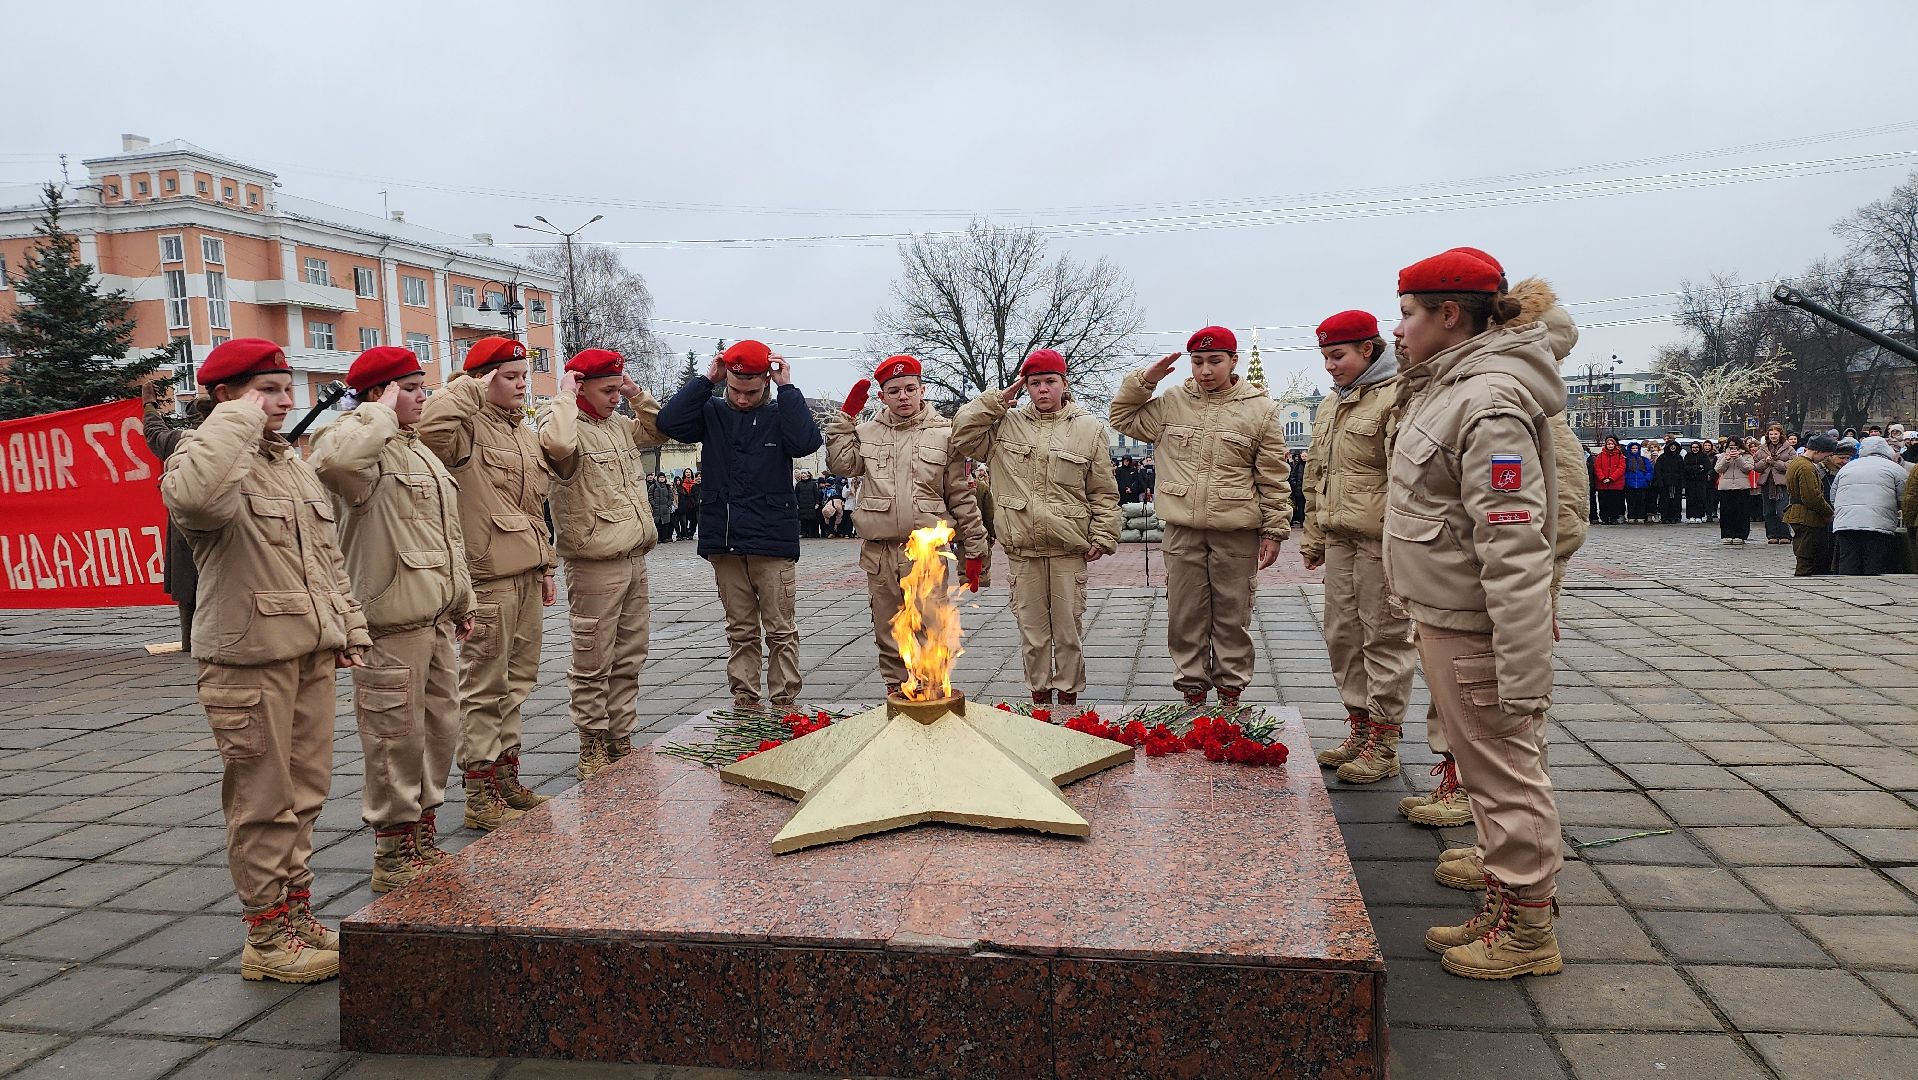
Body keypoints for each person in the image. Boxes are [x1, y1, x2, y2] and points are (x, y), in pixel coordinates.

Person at [160, 338, 371, 984]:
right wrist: (235, 419)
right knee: (262, 800)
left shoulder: (290, 465)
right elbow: (198, 502)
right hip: (247, 661)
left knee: (304, 794)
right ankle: (266, 936)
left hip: (306, 652)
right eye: (268, 390)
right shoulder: (201, 454)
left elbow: (325, 558)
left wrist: (348, 625)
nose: (284, 401)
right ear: (225, 396)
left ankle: (295, 914)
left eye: (285, 389)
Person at [1382, 249, 1565, 981]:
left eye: (1407, 314)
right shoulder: (1452, 385)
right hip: (1448, 615)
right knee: (1489, 771)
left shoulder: (1487, 401)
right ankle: (1505, 902)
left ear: (1450, 315)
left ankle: (1527, 932)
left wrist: (1522, 667)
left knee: (1506, 771)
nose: (1399, 329)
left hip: (1476, 627)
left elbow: (1513, 542)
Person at [310, 346, 473, 893]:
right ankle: (394, 848)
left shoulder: (416, 449)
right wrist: (376, 411)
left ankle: (422, 831)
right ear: (380, 393)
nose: (424, 397)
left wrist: (462, 599)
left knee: (440, 729)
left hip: (433, 616)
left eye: (423, 386)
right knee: (393, 738)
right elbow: (336, 465)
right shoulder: (349, 439)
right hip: (388, 620)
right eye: (411, 388)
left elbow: (445, 536)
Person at [1109, 326, 1289, 708]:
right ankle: (1192, 693)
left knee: (1232, 615)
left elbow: (1273, 476)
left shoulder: (1260, 410)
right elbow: (1121, 416)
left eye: (1215, 361)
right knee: (1185, 614)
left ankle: (1230, 694)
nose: (1205, 370)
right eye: (1198, 361)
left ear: (1234, 361)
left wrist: (1274, 530)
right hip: (1182, 531)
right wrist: (1145, 380)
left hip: (1236, 531)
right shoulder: (1172, 403)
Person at [418, 336, 556, 831]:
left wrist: (545, 565)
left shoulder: (523, 433)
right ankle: (479, 790)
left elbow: (533, 506)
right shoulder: (464, 426)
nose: (522, 385)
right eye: (510, 377)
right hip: (487, 577)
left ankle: (505, 775)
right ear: (482, 380)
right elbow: (428, 430)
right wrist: (466, 387)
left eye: (524, 376)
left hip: (524, 570)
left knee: (517, 681)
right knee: (483, 684)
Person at [658, 340, 824, 709]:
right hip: (726, 539)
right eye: (735, 390)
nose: (743, 399)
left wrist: (788, 388)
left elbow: (805, 442)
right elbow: (669, 423)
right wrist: (706, 381)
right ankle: (745, 699)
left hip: (773, 540)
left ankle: (785, 700)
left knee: (780, 629)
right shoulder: (712, 411)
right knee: (740, 629)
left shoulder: (781, 413)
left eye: (751, 391)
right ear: (726, 381)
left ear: (766, 381)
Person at [952, 348, 1121, 706]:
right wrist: (999, 399)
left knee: (1068, 630)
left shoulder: (1089, 430)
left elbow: (1103, 490)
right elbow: (962, 432)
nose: (1043, 389)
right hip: (1023, 549)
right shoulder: (1004, 425)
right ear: (1025, 386)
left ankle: (1069, 700)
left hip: (1067, 547)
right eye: (1034, 383)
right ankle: (1040, 698)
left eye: (1050, 381)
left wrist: (1105, 533)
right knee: (1032, 632)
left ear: (1064, 383)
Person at [1297, 310, 1416, 788]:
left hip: (1379, 540)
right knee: (1342, 636)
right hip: (1340, 538)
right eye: (1325, 357)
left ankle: (1384, 741)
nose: (1330, 366)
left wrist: (1400, 540)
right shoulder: (1333, 404)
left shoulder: (1396, 395)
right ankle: (1360, 726)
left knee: (1383, 637)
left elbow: (1405, 478)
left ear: (1369, 350)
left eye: (1338, 355)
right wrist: (1313, 536)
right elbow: (1316, 476)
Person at [824, 354, 988, 696]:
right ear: (882, 396)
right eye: (894, 390)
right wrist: (845, 419)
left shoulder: (946, 434)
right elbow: (841, 465)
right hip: (880, 552)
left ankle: (933, 695)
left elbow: (961, 497)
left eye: (910, 389)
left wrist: (974, 548)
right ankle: (896, 695)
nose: (903, 396)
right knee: (888, 630)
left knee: (931, 628)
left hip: (926, 552)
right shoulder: (866, 433)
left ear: (922, 390)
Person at [538, 350, 668, 778]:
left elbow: (659, 430)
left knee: (630, 656)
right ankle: (591, 742)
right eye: (607, 390)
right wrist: (563, 396)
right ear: (581, 386)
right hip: (594, 563)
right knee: (592, 659)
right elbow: (557, 446)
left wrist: (635, 393)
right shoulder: (564, 425)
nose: (615, 397)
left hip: (633, 556)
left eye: (617, 389)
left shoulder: (618, 424)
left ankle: (620, 736)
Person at [138, 376, 212, 653]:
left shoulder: (181, 441)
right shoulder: (242, 441)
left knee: (189, 592)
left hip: (187, 534)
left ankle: (191, 643)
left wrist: (149, 405)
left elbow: (154, 432)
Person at [1831, 436, 1907, 575]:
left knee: (1848, 560)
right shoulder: (1895, 469)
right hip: (1878, 523)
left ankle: (1846, 586)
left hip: (1846, 523)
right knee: (1874, 561)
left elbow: (1833, 496)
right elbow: (1904, 498)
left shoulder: (1847, 467)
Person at [1785, 433, 1839, 575]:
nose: (1826, 459)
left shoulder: (1797, 462)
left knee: (1805, 551)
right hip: (1806, 516)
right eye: (1826, 455)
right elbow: (1811, 497)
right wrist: (1828, 512)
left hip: (1799, 513)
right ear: (1818, 451)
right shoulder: (1806, 467)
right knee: (1807, 554)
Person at [1752, 425, 1793, 544]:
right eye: (1771, 434)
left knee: (1782, 511)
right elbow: (1755, 466)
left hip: (1782, 483)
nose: (1773, 436)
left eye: (1775, 434)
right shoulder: (1762, 449)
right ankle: (1772, 535)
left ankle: (1785, 535)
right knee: (1768, 512)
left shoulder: (1788, 448)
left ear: (1780, 434)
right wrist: (1766, 461)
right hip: (1767, 483)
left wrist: (1775, 463)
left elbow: (1792, 464)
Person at [1715, 438, 1754, 545]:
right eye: (1730, 447)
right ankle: (1727, 535)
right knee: (1726, 513)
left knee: (1741, 512)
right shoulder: (1723, 456)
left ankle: (1740, 535)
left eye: (1735, 447)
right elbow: (1718, 469)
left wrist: (1738, 458)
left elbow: (1748, 469)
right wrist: (1726, 459)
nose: (1732, 449)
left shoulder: (1747, 456)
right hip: (1726, 487)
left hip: (1742, 487)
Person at [1652, 435, 1686, 524]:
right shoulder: (1662, 457)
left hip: (1676, 483)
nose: (1673, 448)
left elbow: (1682, 471)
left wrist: (1682, 483)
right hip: (1665, 483)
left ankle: (1675, 516)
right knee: (1664, 500)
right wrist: (1660, 482)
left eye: (1674, 446)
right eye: (1671, 446)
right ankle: (1665, 517)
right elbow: (1658, 470)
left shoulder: (1679, 458)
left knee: (1676, 500)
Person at [1593, 436, 1626, 524]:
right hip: (1603, 484)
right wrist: (1602, 478)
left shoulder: (1620, 456)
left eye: (1612, 444)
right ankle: (1604, 518)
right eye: (1608, 444)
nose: (1610, 445)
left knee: (1614, 502)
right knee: (1603, 502)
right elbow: (1597, 468)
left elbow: (1621, 468)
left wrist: (1612, 478)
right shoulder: (1600, 455)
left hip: (1615, 483)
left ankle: (1614, 518)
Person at [1622, 441, 1652, 522]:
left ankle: (1641, 516)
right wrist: (1626, 479)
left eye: (1636, 448)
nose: (1635, 450)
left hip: (1642, 484)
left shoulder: (1644, 460)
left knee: (1641, 501)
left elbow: (1649, 470)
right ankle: (1631, 516)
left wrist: (1647, 479)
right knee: (1630, 501)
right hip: (1630, 484)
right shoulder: (1626, 460)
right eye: (1633, 448)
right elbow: (1624, 471)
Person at [794, 469, 824, 539]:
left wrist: (817, 503)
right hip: (802, 504)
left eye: (804, 473)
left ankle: (812, 533)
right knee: (803, 520)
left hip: (811, 504)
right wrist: (796, 503)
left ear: (808, 475)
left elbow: (816, 494)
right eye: (802, 473)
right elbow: (796, 495)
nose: (803, 475)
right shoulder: (799, 484)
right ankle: (804, 533)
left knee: (812, 519)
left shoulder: (813, 484)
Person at [648, 471, 676, 541]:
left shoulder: (668, 487)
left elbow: (671, 497)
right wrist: (654, 504)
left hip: (665, 509)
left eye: (663, 477)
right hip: (656, 508)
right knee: (657, 524)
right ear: (658, 478)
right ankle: (658, 538)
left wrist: (668, 505)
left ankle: (663, 538)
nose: (662, 478)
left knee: (665, 524)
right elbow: (650, 496)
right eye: (660, 477)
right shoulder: (653, 486)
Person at [1287, 448, 1308, 527]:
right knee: (1300, 506)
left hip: (1307, 489)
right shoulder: (1298, 465)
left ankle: (1307, 522)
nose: (1304, 458)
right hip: (1299, 490)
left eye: (1305, 456)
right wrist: (1295, 485)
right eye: (1302, 456)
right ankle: (1302, 522)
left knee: (1308, 506)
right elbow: (1293, 476)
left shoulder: (1309, 465)